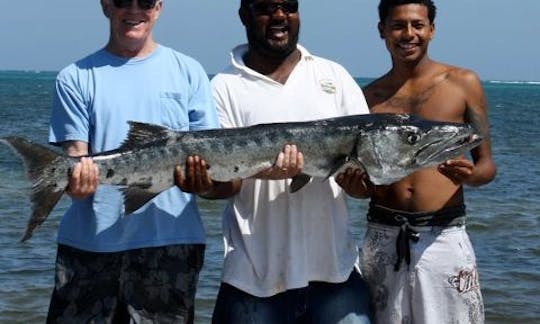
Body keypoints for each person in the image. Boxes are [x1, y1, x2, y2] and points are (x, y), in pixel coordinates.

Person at [46, 0, 225, 322]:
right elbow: (76, 155)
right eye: (122, 2)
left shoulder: (189, 71)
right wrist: (76, 184)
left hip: (172, 241)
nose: (134, 10)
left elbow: (209, 155)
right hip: (90, 244)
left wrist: (206, 182)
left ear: (158, 7)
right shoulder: (74, 77)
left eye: (144, 2)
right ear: (105, 6)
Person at [210, 0, 372, 323]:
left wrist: (360, 184)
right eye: (267, 8)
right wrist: (208, 182)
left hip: (334, 273)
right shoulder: (222, 87)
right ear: (245, 15)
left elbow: (364, 179)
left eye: (289, 6)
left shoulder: (334, 77)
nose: (280, 16)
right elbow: (221, 184)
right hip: (253, 278)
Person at [355, 0, 497, 323]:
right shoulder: (367, 97)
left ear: (431, 30)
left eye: (418, 25)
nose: (409, 34)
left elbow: (487, 164)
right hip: (382, 234)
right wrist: (355, 189)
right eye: (398, 25)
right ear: (382, 31)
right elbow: (361, 180)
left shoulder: (464, 84)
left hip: (444, 236)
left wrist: (471, 176)